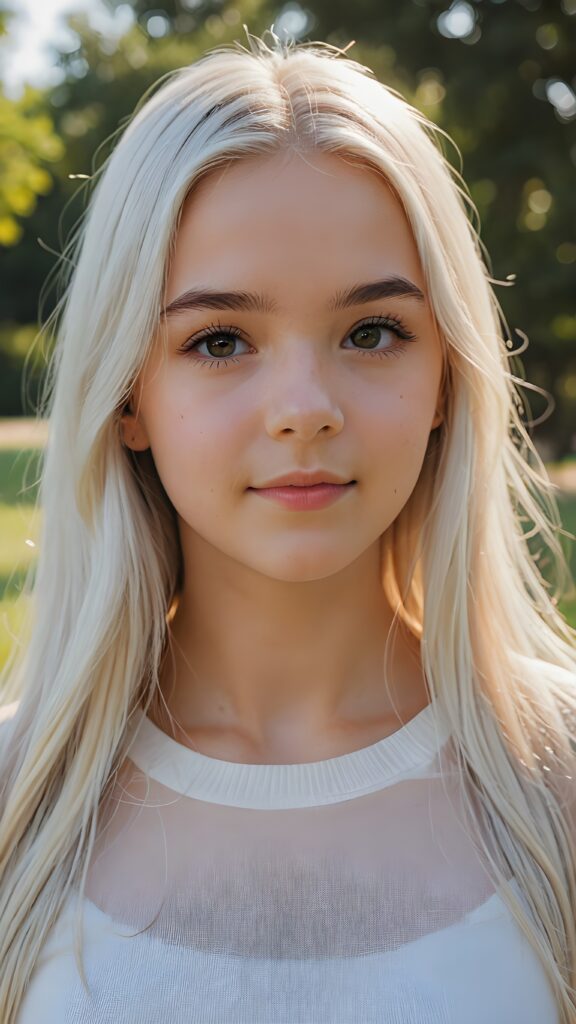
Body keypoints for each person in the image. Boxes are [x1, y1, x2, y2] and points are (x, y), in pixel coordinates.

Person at [1, 26, 575, 1024]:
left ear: (447, 376)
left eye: (373, 332)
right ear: (127, 392)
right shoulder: (19, 804)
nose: (304, 406)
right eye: (220, 339)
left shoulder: (558, 784)